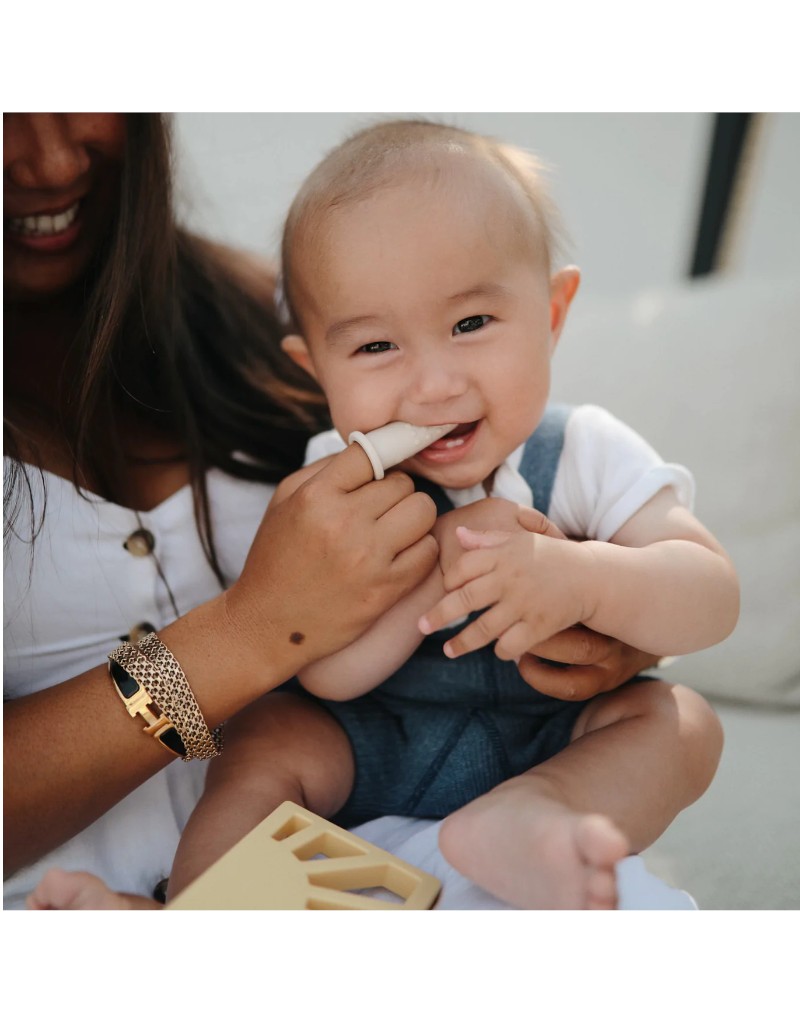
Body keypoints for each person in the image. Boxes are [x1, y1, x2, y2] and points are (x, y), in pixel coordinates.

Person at [5, 114, 653, 911]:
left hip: (364, 869)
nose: (50, 157)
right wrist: (251, 632)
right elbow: (307, 656)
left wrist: (611, 615)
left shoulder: (272, 311)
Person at [153, 119, 736, 911]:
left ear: (554, 312)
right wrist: (438, 553)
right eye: (374, 348)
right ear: (315, 368)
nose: (432, 384)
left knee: (683, 723)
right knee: (266, 737)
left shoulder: (584, 451)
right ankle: (203, 902)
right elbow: (326, 670)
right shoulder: (335, 480)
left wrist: (583, 575)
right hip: (369, 745)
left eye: (470, 325)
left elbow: (710, 598)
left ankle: (531, 820)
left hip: (546, 744)